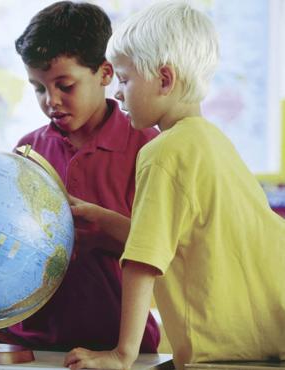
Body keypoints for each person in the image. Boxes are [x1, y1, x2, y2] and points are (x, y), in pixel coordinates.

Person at [64, 1, 285, 369]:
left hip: (222, 354)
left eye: (124, 78)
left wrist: (122, 356)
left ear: (164, 80)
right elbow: (182, 240)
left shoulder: (163, 151)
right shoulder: (213, 142)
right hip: (269, 339)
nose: (117, 93)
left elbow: (144, 261)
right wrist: (105, 219)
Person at [0, 1, 160, 352]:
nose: (51, 100)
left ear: (104, 73)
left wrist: (105, 228)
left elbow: (167, 248)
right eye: (39, 88)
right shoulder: (28, 151)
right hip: (29, 345)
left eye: (65, 85)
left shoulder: (148, 147)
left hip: (120, 346)